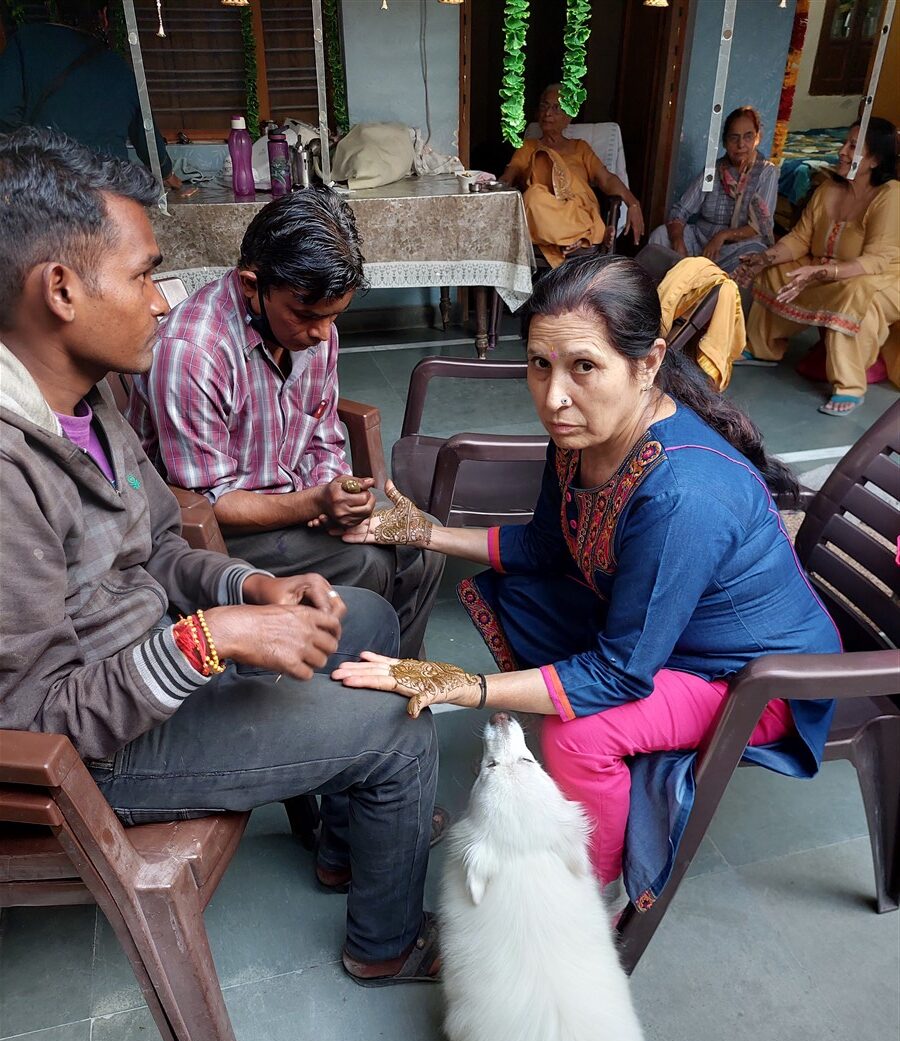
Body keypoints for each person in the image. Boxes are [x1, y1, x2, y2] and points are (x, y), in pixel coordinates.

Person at [0, 127, 440, 987]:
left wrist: (255, 586)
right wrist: (212, 640)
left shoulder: (86, 406)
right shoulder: (9, 475)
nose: (162, 302)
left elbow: (162, 543)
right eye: (142, 274)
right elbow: (34, 720)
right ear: (59, 289)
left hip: (152, 658)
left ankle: (345, 841)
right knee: (397, 725)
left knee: (376, 619)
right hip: (108, 750)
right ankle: (384, 944)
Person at [331, 255, 841, 909]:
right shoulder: (577, 437)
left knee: (580, 731)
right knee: (513, 592)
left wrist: (464, 687)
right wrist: (424, 532)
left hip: (757, 678)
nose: (553, 397)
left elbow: (625, 672)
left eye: (584, 367)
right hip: (673, 638)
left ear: (649, 363)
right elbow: (545, 546)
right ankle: (582, 756)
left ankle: (584, 895)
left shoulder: (684, 492)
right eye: (540, 365)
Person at [128, 189, 443, 658]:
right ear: (252, 285)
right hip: (219, 532)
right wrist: (313, 503)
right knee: (367, 562)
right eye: (306, 315)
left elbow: (322, 438)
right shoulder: (193, 352)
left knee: (423, 538)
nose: (321, 333)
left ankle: (395, 668)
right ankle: (343, 686)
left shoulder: (317, 330)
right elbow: (210, 504)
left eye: (334, 316)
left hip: (296, 502)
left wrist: (334, 495)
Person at [737, 118, 899, 417]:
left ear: (875, 159)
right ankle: (762, 349)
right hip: (827, 266)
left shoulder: (889, 195)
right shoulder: (827, 189)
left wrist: (823, 272)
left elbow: (878, 260)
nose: (842, 151)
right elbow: (800, 239)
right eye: (845, 143)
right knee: (774, 271)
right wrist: (767, 257)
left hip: (881, 277)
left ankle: (850, 387)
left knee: (855, 292)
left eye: (853, 146)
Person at [0, 0, 181, 188]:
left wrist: (23, 162)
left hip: (44, 184)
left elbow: (4, 113)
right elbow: (146, 133)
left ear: (54, 9)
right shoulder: (118, 67)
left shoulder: (26, 43)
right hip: (107, 188)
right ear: (103, 15)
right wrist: (167, 173)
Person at [499, 83, 644, 267]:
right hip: (546, 212)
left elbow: (606, 179)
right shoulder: (528, 147)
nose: (547, 113)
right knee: (533, 196)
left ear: (568, 117)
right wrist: (491, 185)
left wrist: (633, 202)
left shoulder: (579, 147)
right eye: (544, 106)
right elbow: (508, 177)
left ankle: (575, 234)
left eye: (556, 108)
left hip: (577, 210)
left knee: (542, 204)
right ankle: (586, 235)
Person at [648, 106, 778, 274]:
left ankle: (707, 286)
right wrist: (678, 241)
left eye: (748, 137)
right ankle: (655, 295)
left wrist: (721, 236)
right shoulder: (714, 170)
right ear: (725, 142)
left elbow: (759, 227)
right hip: (700, 242)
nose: (741, 145)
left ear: (757, 138)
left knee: (753, 252)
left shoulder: (767, 172)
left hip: (734, 249)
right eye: (734, 138)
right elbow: (680, 211)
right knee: (660, 235)